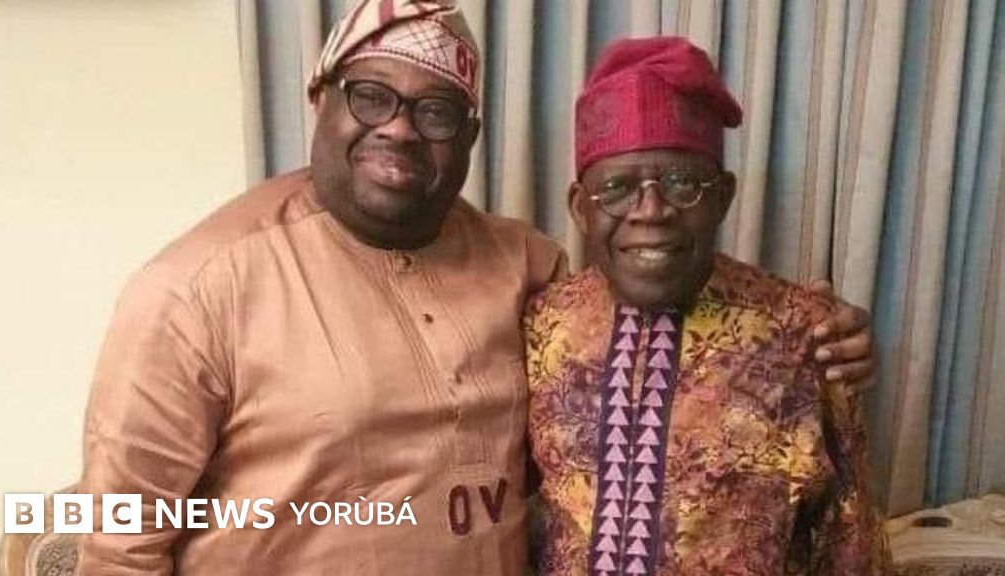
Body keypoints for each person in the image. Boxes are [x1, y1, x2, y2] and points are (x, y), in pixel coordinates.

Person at [77, 1, 874, 574]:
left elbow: (650, 349)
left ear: (470, 138)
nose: (398, 128)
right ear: (320, 100)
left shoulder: (527, 270)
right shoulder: (193, 292)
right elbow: (118, 546)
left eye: (436, 112)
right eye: (370, 96)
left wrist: (823, 333)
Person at [524, 37, 889, 575]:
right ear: (581, 208)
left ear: (722, 197)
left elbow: (849, 542)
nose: (651, 211)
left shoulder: (803, 335)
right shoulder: (541, 326)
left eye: (682, 183)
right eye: (618, 187)